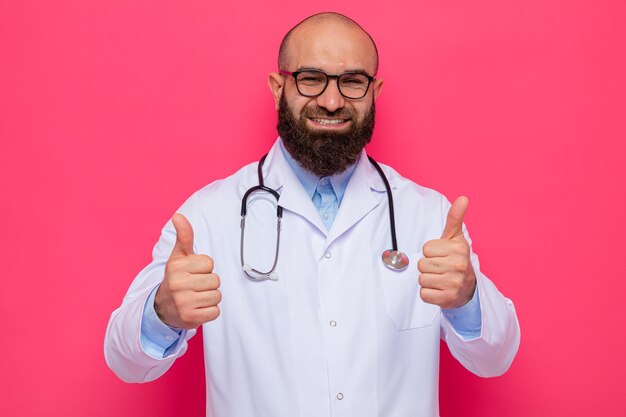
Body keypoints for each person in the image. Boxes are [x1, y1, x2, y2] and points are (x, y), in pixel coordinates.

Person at [105, 12, 520, 417]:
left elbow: (495, 358)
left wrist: (467, 298)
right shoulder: (208, 215)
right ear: (277, 86)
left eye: (353, 82)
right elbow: (126, 361)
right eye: (311, 79)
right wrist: (162, 312)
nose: (332, 100)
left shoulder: (427, 215)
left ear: (374, 92)